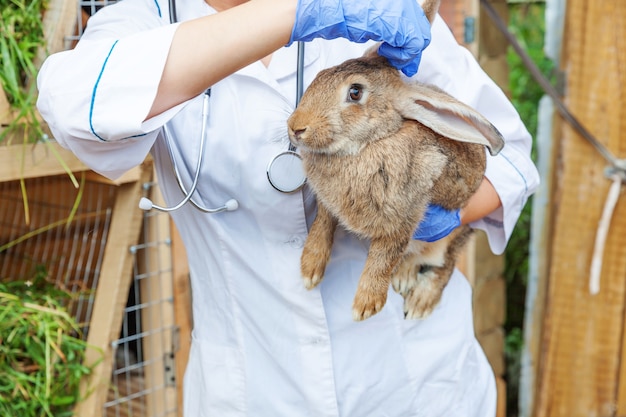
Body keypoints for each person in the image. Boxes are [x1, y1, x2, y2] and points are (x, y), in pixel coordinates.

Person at [36, 0, 539, 415]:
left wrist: (415, 215)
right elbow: (73, 105)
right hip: (252, 391)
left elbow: (506, 156)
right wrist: (294, 13)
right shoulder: (148, 21)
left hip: (412, 385)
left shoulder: (378, 14)